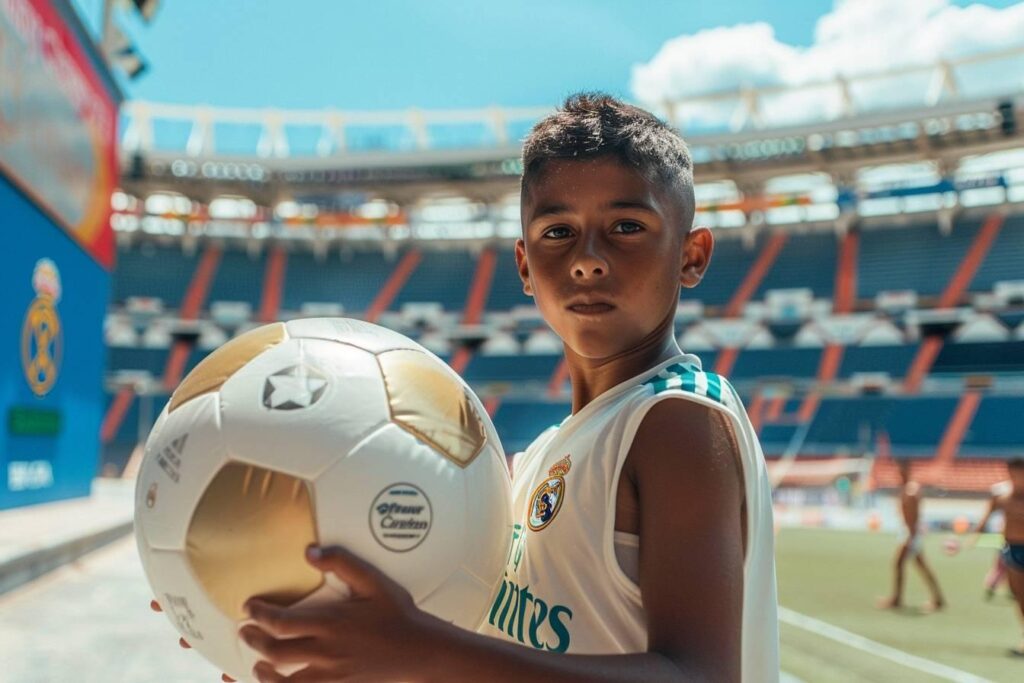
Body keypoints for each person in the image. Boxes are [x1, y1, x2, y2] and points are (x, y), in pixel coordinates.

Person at [154, 92, 780, 682]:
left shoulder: (677, 420)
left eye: (627, 227)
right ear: (524, 266)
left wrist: (419, 648)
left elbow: (700, 676)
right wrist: (296, 634)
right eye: (557, 232)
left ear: (692, 255)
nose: (588, 258)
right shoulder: (540, 453)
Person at [877, 459, 945, 612]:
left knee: (899, 564)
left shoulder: (911, 490)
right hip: (909, 532)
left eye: (901, 470)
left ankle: (897, 599)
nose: (899, 473)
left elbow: (914, 515)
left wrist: (911, 536)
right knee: (920, 566)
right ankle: (938, 598)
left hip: (911, 533)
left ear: (908, 470)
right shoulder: (907, 489)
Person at [971, 460, 1024, 655]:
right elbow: (984, 520)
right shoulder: (1002, 496)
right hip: (1013, 549)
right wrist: (972, 537)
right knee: (1019, 595)